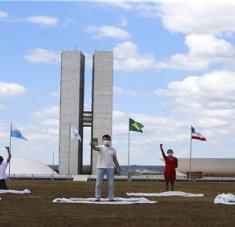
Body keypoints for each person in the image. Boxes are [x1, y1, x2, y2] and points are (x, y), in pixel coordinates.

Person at [90, 134, 121, 201]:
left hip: (110, 168)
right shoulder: (100, 147)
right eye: (104, 139)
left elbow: (115, 159)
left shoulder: (113, 149)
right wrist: (92, 145)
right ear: (102, 140)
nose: (106, 140)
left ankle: (111, 198)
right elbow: (95, 148)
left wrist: (118, 168)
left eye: (107, 139)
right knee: (98, 184)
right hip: (100, 168)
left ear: (110, 140)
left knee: (111, 184)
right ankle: (97, 198)